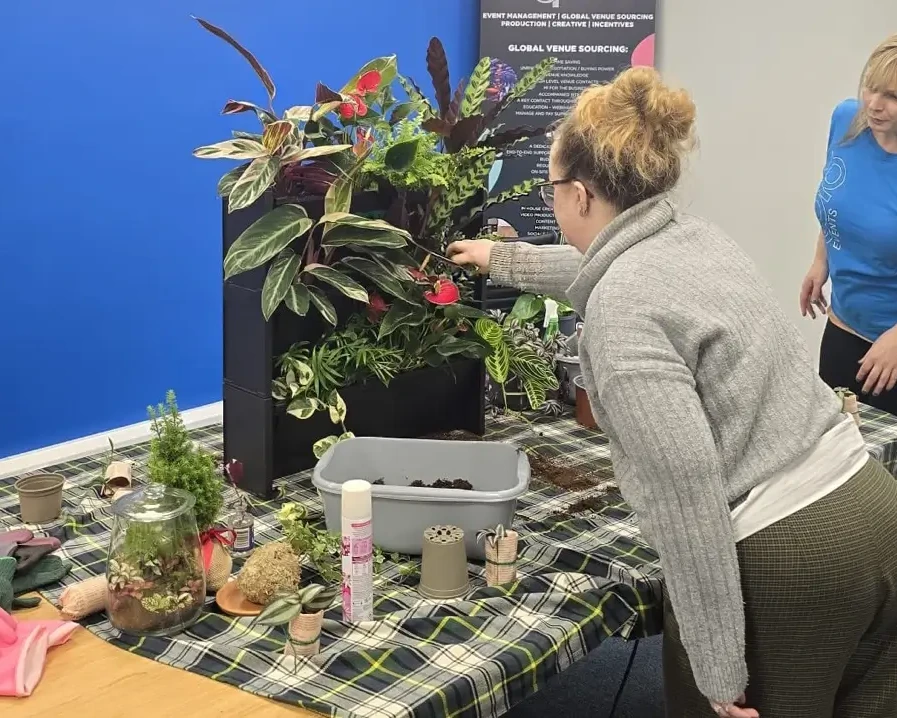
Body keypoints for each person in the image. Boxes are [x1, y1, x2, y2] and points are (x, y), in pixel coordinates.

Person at [449, 67, 897, 718]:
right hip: (872, 508)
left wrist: (716, 671)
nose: (551, 203)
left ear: (577, 195)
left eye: (550, 190)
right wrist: (500, 259)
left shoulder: (623, 317)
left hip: (796, 557)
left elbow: (687, 502)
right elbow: (603, 262)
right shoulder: (689, 238)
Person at [800, 34, 897, 414]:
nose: (874, 105)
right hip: (842, 328)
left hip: (890, 345)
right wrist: (821, 261)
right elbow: (838, 200)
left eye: (892, 96)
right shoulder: (846, 120)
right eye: (871, 88)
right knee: (837, 459)